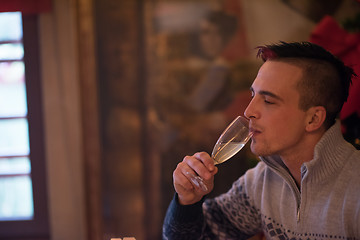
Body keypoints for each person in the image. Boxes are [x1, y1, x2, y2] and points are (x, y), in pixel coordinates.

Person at [162, 41, 360, 239]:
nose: (249, 111)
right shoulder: (261, 181)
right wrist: (187, 201)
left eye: (268, 100)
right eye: (253, 95)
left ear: (313, 118)